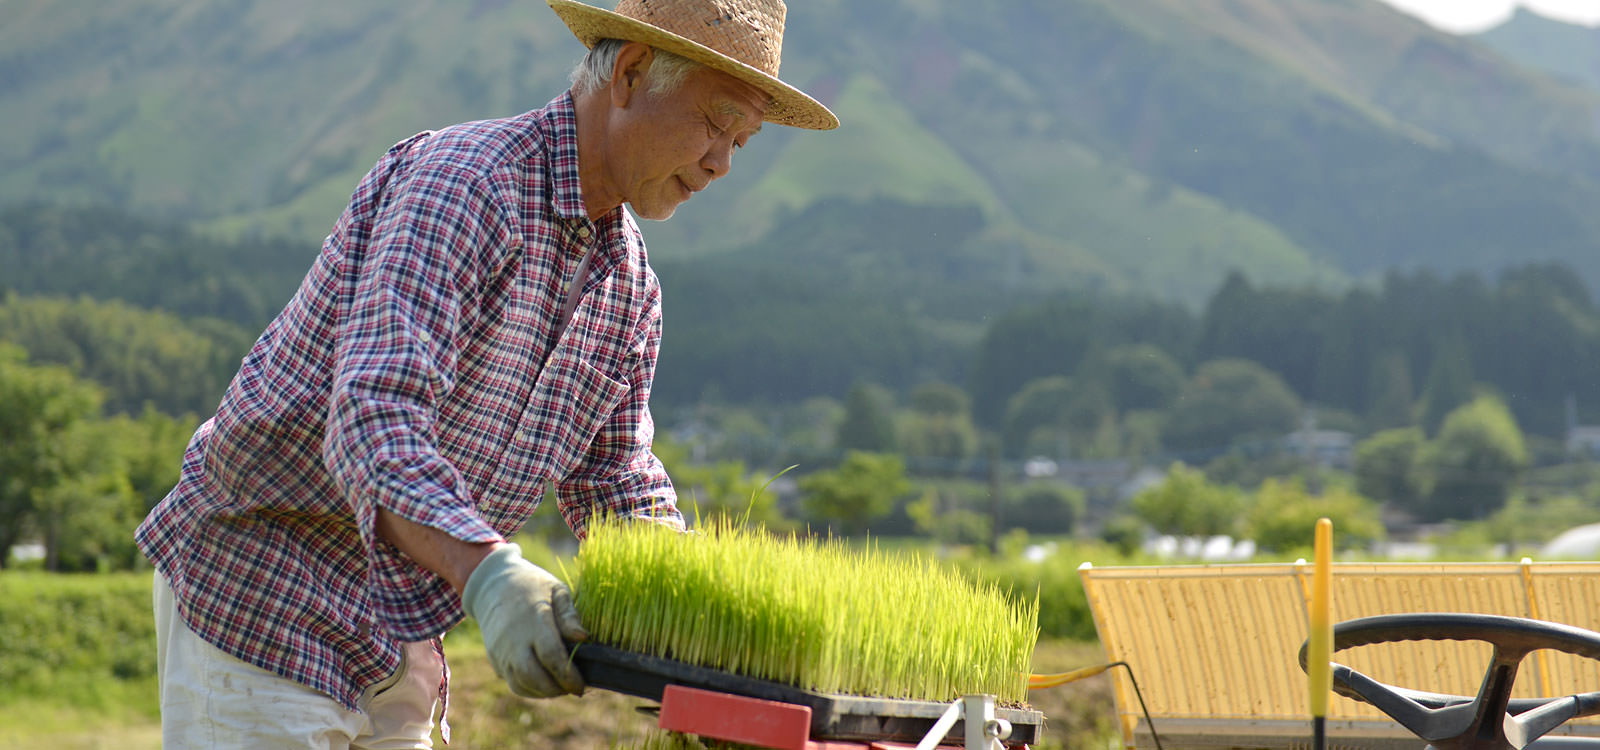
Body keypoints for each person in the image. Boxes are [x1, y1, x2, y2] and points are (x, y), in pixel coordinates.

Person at [134, 0, 837, 746]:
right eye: (713, 123)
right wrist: (491, 576)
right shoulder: (469, 187)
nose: (722, 161)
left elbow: (615, 479)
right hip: (270, 587)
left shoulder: (627, 283)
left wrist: (704, 630)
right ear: (630, 73)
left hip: (398, 628)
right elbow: (373, 416)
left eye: (742, 141)